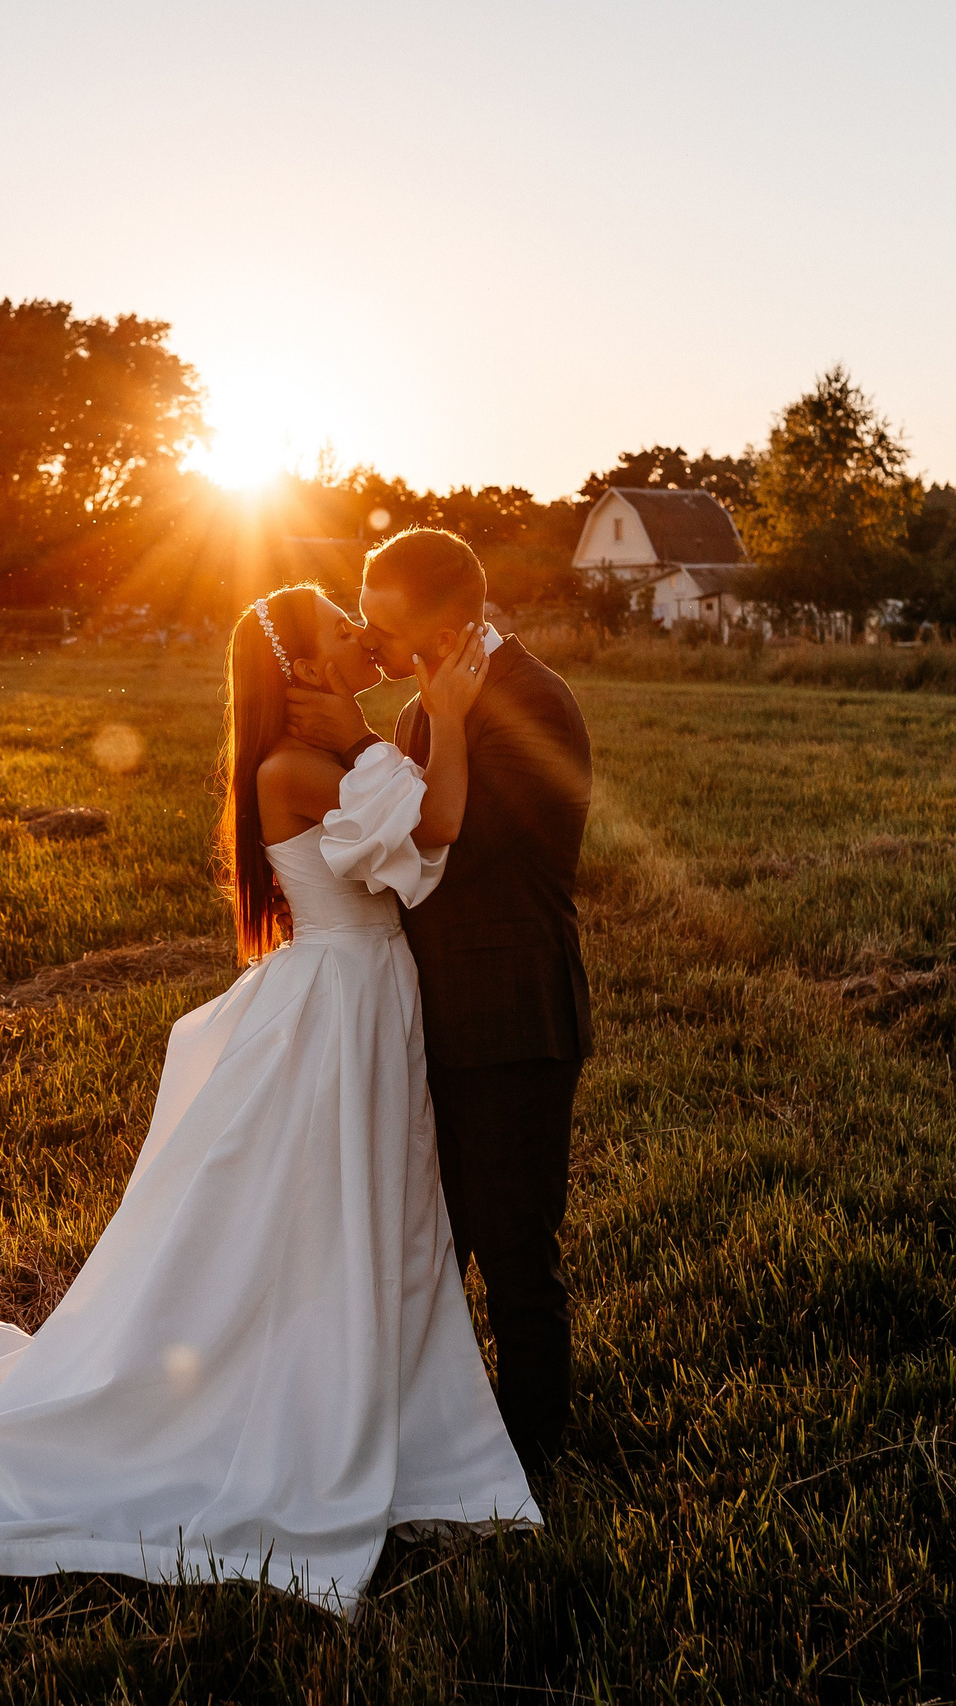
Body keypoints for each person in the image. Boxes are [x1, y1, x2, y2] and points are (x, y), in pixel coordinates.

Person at [0, 582, 536, 1615]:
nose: (361, 635)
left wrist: (371, 733)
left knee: (361, 1210)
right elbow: (437, 819)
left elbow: (403, 824)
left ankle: (363, 1389)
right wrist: (441, 712)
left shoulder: (328, 753)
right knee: (320, 1213)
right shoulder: (297, 765)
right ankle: (292, 1401)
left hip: (358, 998)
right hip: (337, 1009)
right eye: (339, 631)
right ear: (299, 670)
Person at [285, 529, 594, 1479]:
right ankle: (435, 1424)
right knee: (434, 1239)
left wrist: (356, 745)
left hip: (511, 1019)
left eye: (385, 625)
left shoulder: (533, 703)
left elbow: (444, 853)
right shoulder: (430, 709)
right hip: (438, 1019)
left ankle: (536, 1449)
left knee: (514, 1246)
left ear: (456, 623)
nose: (370, 643)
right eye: (362, 620)